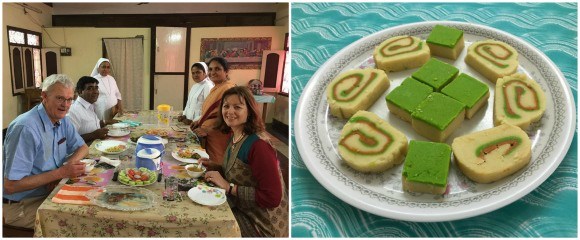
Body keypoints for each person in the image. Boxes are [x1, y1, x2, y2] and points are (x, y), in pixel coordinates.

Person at [200, 86, 288, 237]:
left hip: (262, 224)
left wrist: (229, 187)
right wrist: (217, 167)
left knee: (205, 225)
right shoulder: (236, 135)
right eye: (226, 106)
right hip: (243, 208)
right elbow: (243, 171)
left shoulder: (259, 146)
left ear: (250, 110)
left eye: (237, 107)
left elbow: (273, 197)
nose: (230, 111)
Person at [3, 74, 89, 229]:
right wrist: (60, 173)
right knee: (78, 223)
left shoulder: (62, 119)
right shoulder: (26, 128)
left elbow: (83, 147)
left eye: (70, 99)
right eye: (60, 98)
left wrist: (67, 167)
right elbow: (11, 186)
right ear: (44, 96)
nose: (66, 105)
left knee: (91, 203)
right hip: (20, 205)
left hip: (47, 192)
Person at [190, 57, 236, 165]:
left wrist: (208, 130)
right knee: (207, 162)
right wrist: (199, 121)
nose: (212, 72)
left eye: (217, 69)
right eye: (210, 69)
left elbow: (229, 117)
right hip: (207, 134)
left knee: (218, 163)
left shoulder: (227, 89)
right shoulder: (216, 88)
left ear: (226, 71)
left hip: (219, 134)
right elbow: (210, 112)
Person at [67, 76, 111, 144]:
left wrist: (106, 122)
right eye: (90, 88)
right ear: (80, 91)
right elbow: (70, 141)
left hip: (98, 143)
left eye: (96, 88)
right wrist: (93, 135)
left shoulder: (90, 105)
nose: (95, 92)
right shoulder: (73, 111)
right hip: (85, 150)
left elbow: (91, 124)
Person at [90, 58, 123, 122]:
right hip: (101, 111)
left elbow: (117, 94)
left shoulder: (111, 78)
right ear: (98, 68)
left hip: (114, 110)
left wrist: (120, 108)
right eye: (103, 67)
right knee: (104, 128)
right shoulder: (93, 80)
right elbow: (91, 97)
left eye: (108, 67)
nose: (106, 69)